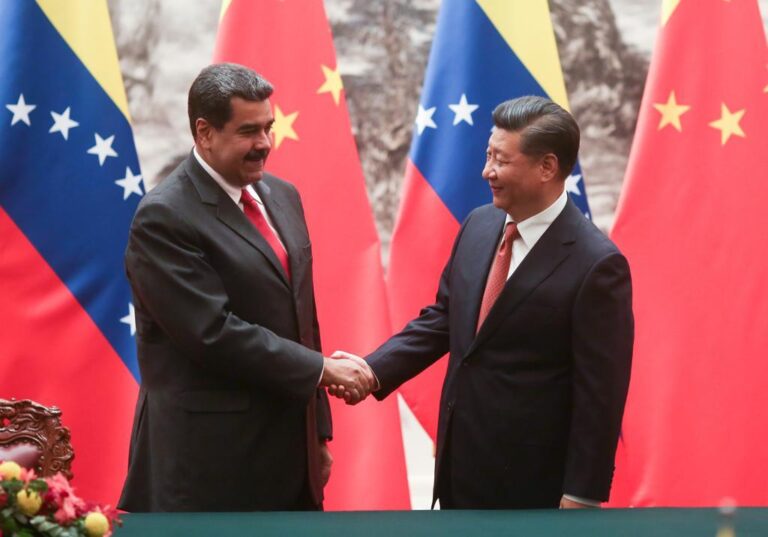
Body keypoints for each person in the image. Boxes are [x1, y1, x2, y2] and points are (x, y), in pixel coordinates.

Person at [333, 95, 633, 509]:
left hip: (535, 485)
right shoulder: (479, 224)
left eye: (501, 160)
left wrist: (582, 493)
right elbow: (444, 318)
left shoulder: (597, 265)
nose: (486, 171)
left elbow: (601, 394)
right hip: (460, 468)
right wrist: (372, 369)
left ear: (547, 167)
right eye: (488, 155)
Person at [118, 63, 374, 512]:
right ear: (205, 132)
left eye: (268, 128)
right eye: (248, 131)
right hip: (209, 465)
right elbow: (212, 333)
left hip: (289, 457)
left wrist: (317, 432)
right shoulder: (164, 217)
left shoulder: (283, 196)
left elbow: (302, 318)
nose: (264, 144)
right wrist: (322, 370)